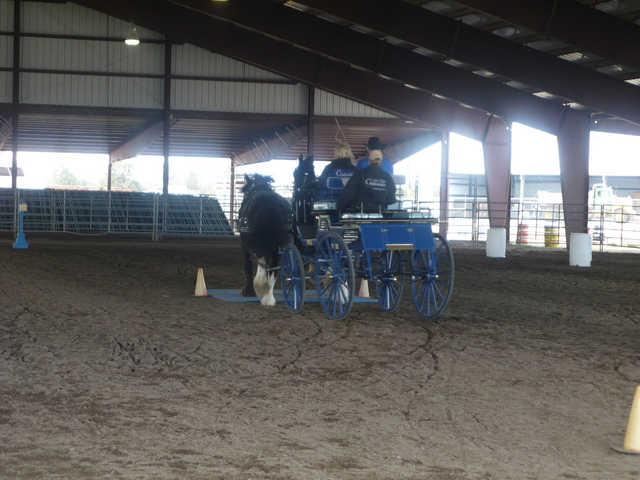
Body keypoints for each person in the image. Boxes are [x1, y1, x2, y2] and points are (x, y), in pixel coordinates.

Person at [337, 149, 397, 213]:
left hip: (360, 211)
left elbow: (348, 193)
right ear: (381, 161)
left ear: (369, 160)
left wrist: (339, 208)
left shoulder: (360, 174)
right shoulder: (387, 177)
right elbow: (391, 199)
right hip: (380, 211)